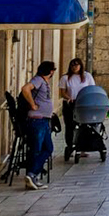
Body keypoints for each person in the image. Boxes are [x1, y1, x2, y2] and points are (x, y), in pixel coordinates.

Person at [21, 61, 57, 189]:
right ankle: (32, 175)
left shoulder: (43, 82)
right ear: (51, 71)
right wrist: (32, 104)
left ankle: (33, 175)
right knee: (37, 149)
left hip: (43, 121)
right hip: (37, 121)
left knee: (47, 148)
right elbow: (25, 89)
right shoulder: (38, 80)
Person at [59, 58, 94, 159]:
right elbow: (63, 92)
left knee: (84, 126)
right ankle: (70, 146)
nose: (75, 67)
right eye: (73, 65)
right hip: (70, 104)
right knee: (70, 126)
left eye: (77, 65)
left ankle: (82, 148)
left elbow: (91, 89)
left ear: (80, 66)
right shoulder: (65, 78)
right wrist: (68, 98)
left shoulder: (87, 76)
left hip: (83, 104)